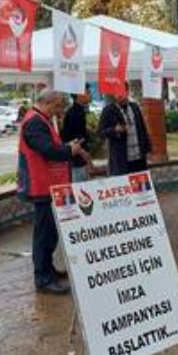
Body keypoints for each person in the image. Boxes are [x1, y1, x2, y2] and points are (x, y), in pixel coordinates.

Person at [18, 88, 89, 295]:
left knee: (49, 232)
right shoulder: (34, 122)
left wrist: (66, 147)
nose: (58, 112)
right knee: (44, 234)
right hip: (41, 185)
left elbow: (50, 146)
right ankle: (43, 278)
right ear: (48, 103)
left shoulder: (41, 120)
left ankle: (48, 270)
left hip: (50, 185)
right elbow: (47, 150)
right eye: (57, 106)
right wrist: (69, 151)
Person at [98, 84, 151, 176]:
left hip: (139, 157)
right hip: (121, 158)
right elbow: (101, 132)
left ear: (127, 92)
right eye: (116, 92)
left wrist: (147, 149)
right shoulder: (108, 110)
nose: (119, 95)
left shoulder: (135, 107)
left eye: (121, 92)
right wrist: (115, 130)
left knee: (141, 186)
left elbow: (142, 128)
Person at [62, 88, 91, 183]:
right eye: (87, 92)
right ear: (79, 95)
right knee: (79, 187)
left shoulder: (79, 110)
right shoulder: (75, 112)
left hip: (79, 157)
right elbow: (71, 137)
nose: (90, 95)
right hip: (77, 158)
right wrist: (83, 152)